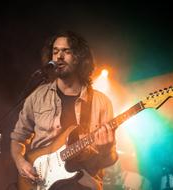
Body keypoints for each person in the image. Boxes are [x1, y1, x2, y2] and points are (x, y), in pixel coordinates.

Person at [10, 30, 118, 190]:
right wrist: (21, 162)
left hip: (83, 183)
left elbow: (109, 159)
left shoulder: (101, 102)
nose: (59, 56)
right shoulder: (38, 96)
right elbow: (18, 138)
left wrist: (106, 148)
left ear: (79, 58)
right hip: (38, 181)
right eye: (55, 52)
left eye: (66, 51)